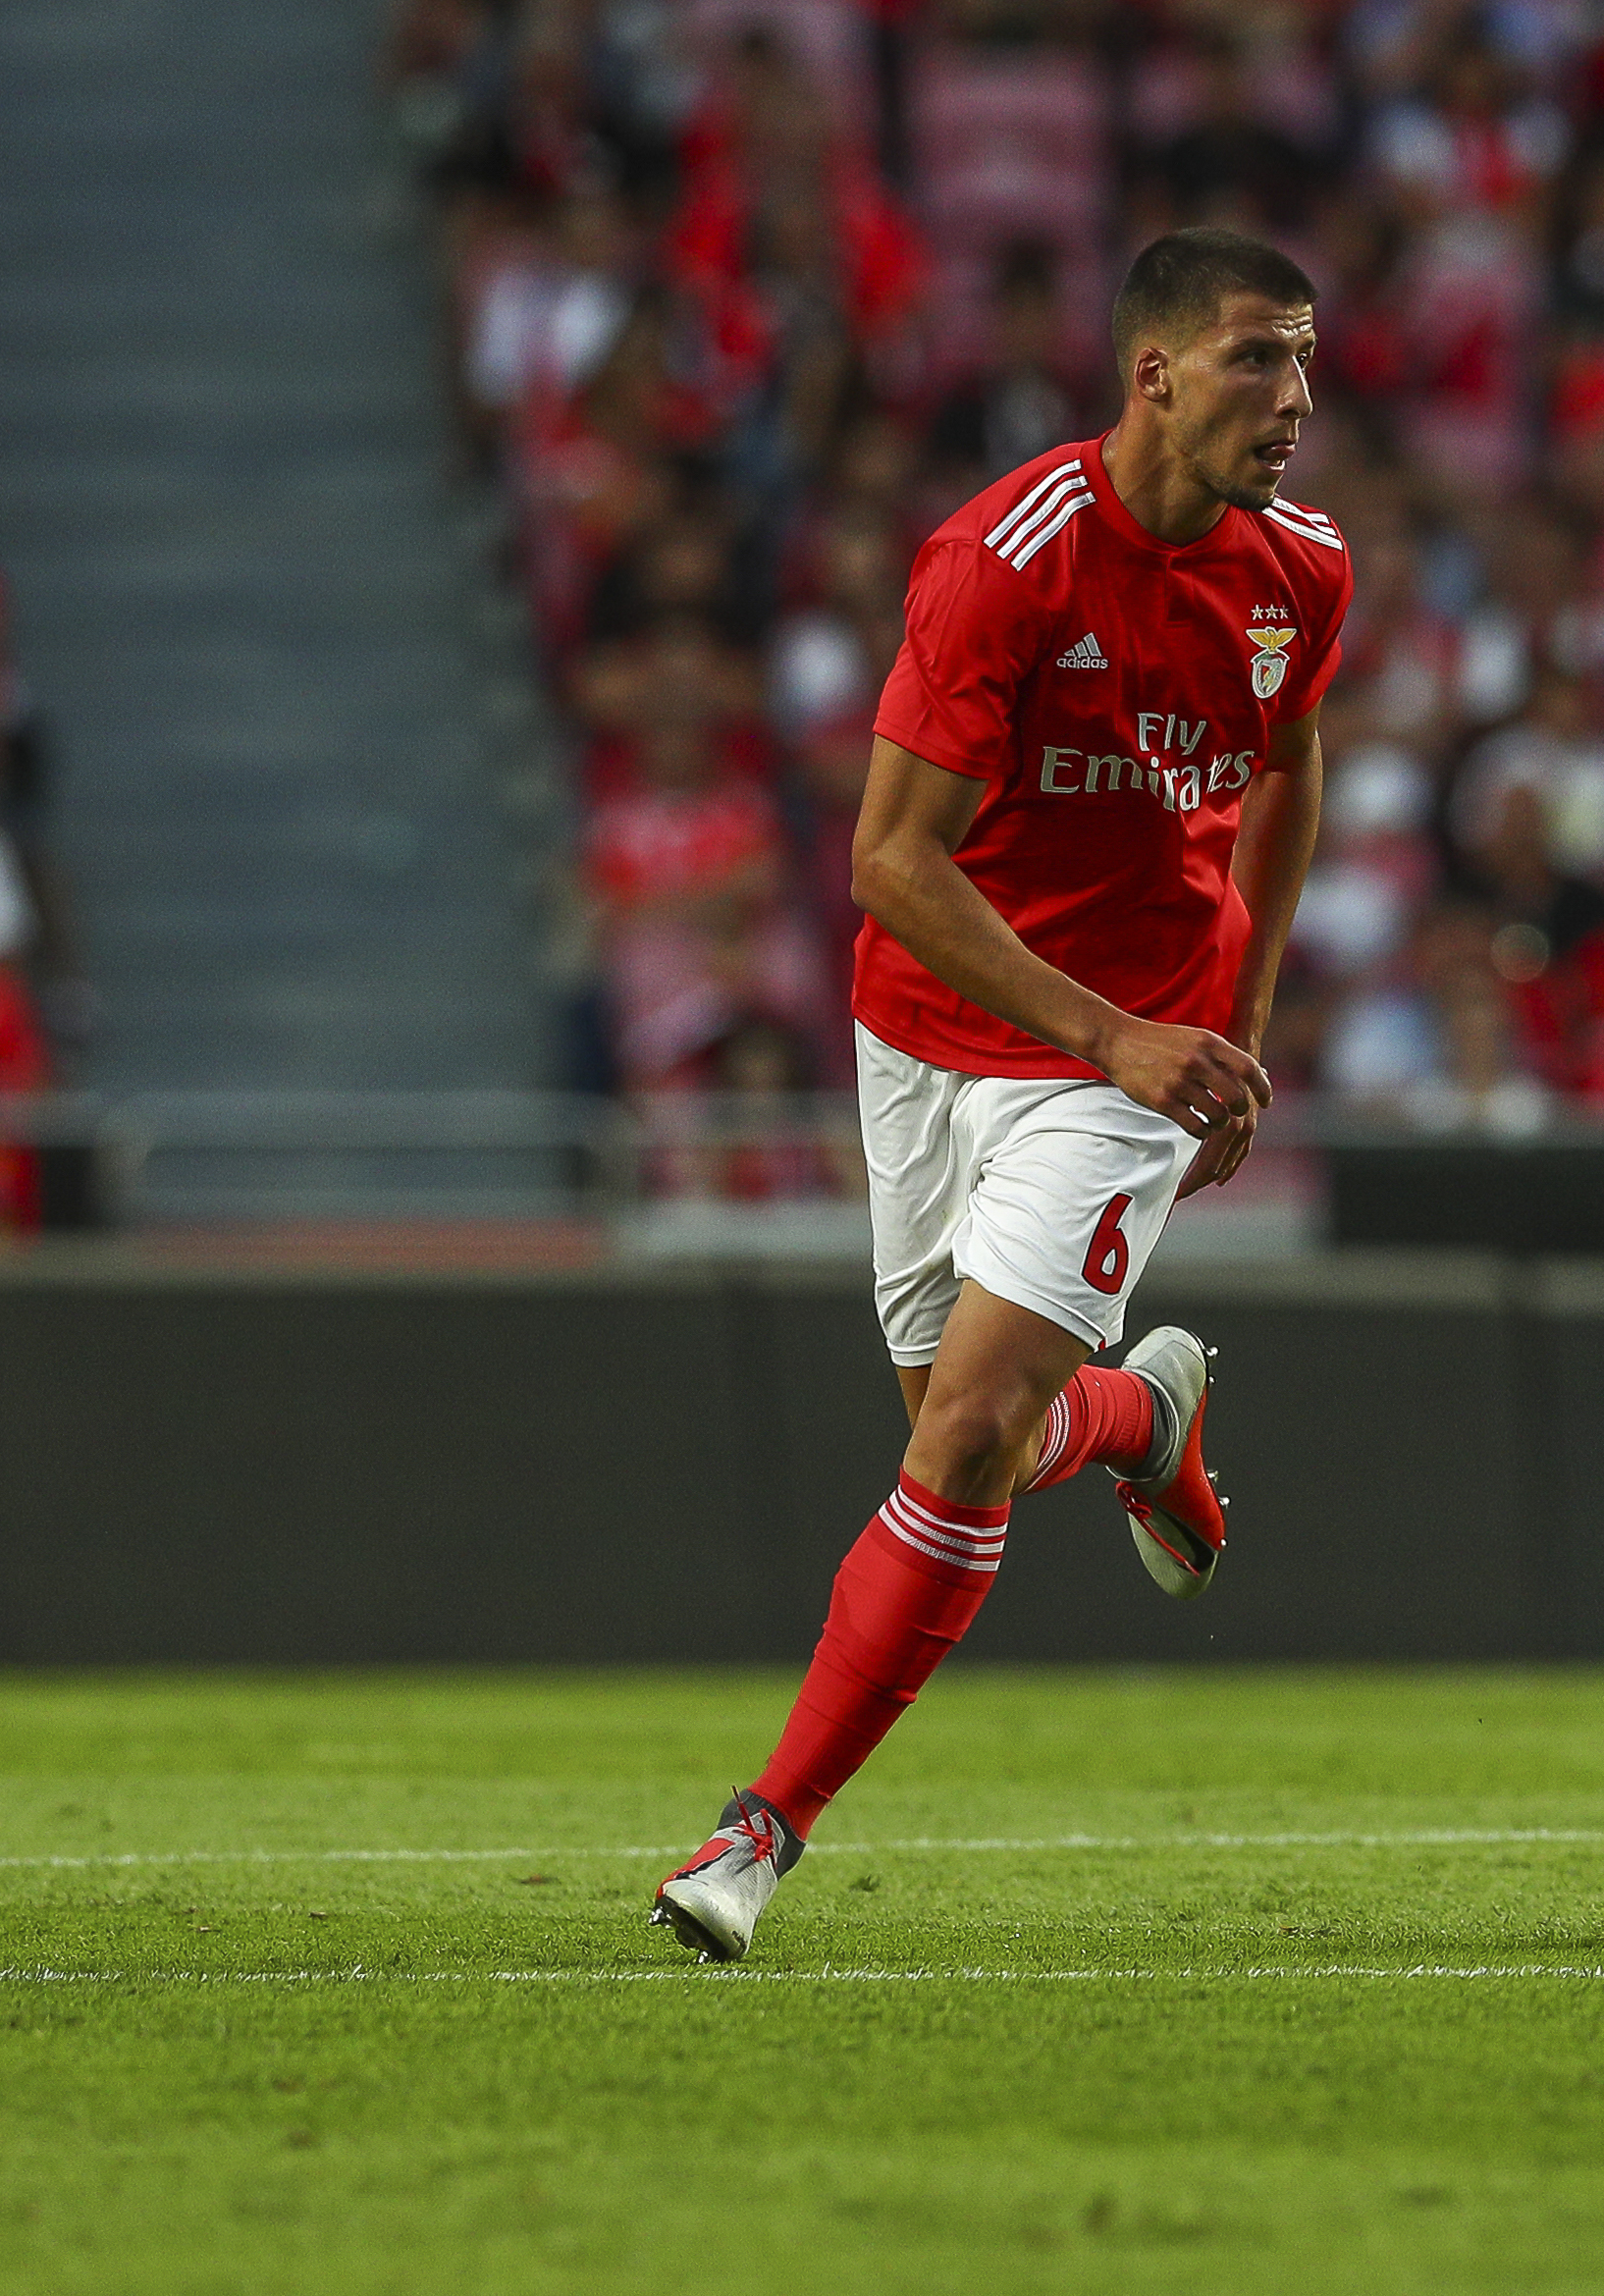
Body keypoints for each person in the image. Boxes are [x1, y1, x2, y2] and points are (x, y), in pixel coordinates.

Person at [652, 228, 1345, 1961]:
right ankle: (1145, 1422)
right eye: (1258, 356)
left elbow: (1289, 766)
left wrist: (1230, 1023)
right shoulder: (1001, 561)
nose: (1293, 397)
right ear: (1154, 374)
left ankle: (758, 1833)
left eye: (1305, 358)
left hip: (1129, 1049)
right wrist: (1110, 1035)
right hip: (933, 1030)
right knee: (988, 1445)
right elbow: (891, 863)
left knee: (961, 1435)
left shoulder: (1301, 571)